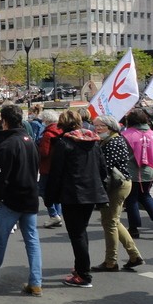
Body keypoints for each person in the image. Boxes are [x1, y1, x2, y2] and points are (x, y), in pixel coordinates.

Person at [0, 104, 43, 296]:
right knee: (32, 240)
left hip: (12, 198)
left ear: (4, 121)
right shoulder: (28, 140)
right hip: (30, 196)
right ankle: (36, 281)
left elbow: (0, 176)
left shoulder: (8, 145)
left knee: (1, 237)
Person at [45, 109, 107, 288]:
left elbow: (56, 173)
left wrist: (50, 197)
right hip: (91, 192)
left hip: (72, 193)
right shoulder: (94, 141)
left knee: (76, 233)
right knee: (81, 231)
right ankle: (81, 267)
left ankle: (83, 274)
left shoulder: (64, 143)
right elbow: (102, 169)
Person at [92, 116, 143, 271]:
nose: (97, 129)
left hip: (117, 185)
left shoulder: (113, 142)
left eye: (100, 126)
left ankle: (111, 261)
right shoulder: (110, 140)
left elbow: (105, 166)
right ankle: (134, 255)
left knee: (110, 223)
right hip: (117, 183)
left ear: (110, 126)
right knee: (113, 221)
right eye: (96, 126)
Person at [121, 108, 153, 238]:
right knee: (145, 195)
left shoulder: (126, 135)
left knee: (131, 199)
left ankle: (134, 227)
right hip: (149, 170)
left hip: (131, 171)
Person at [36, 109, 64, 229]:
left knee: (43, 191)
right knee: (56, 192)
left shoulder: (47, 134)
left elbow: (44, 152)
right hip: (58, 166)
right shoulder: (60, 130)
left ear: (46, 120)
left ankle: (53, 214)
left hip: (47, 167)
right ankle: (58, 215)